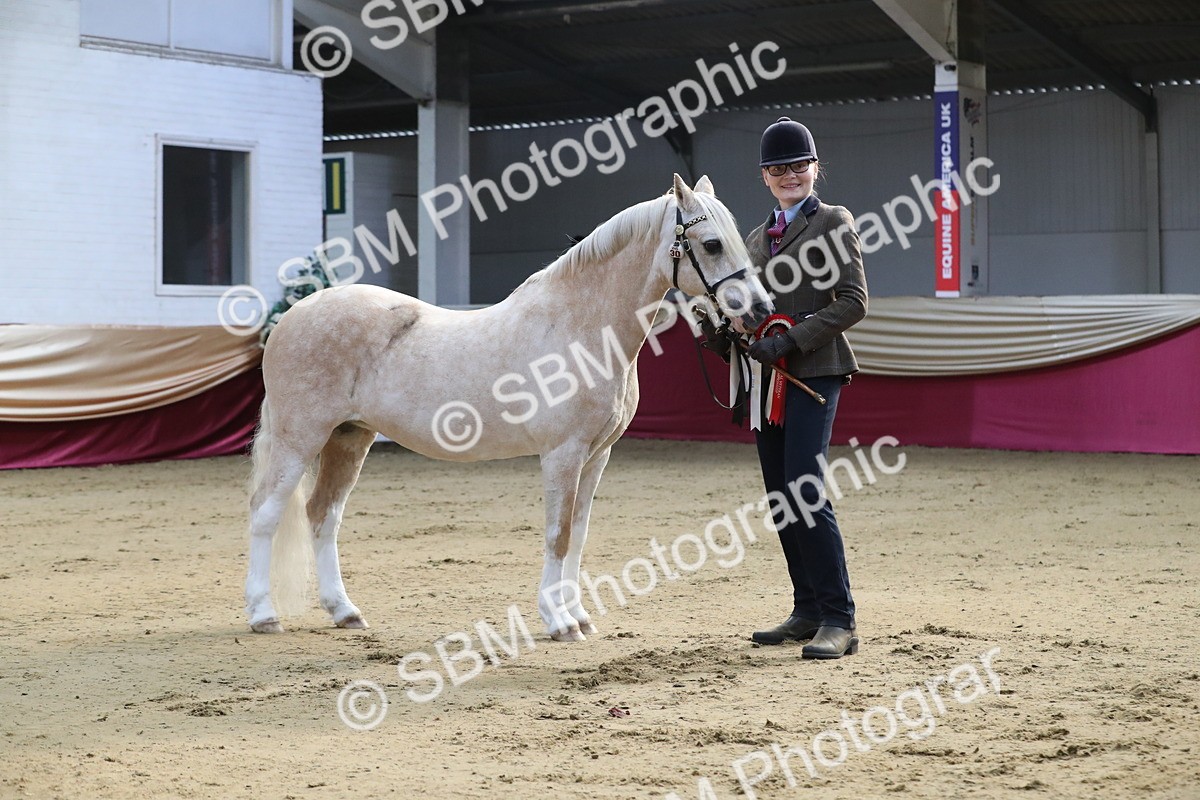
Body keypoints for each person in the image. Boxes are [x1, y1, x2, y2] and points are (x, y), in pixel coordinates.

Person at [705, 117, 868, 659]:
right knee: (781, 496)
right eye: (778, 169)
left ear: (815, 168)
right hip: (766, 379)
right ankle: (807, 608)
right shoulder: (754, 240)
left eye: (798, 165)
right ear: (764, 177)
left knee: (805, 488)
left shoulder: (834, 222)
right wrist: (722, 333)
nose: (789, 175)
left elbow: (853, 301)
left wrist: (791, 339)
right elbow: (752, 314)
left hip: (815, 370)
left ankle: (839, 618)